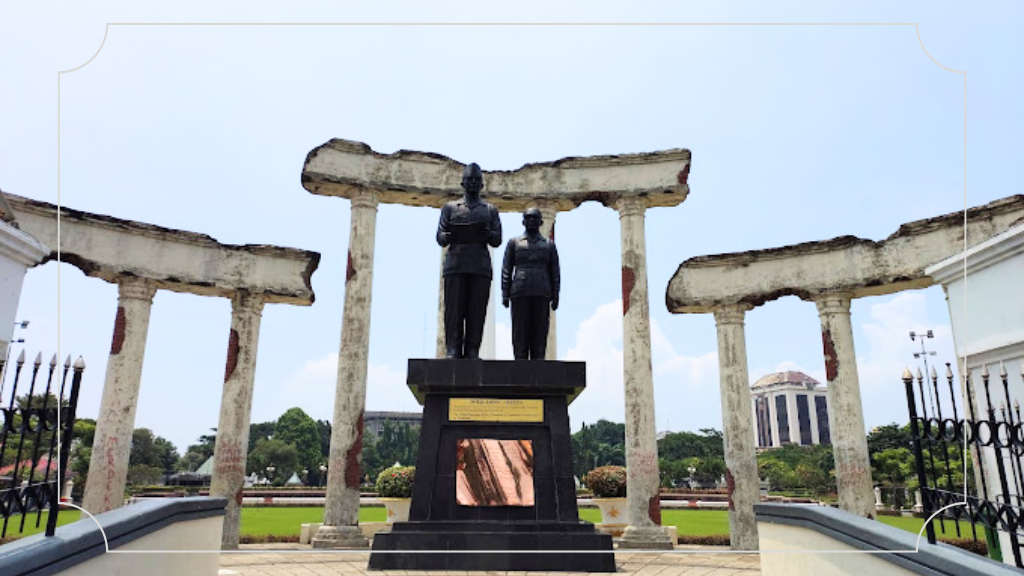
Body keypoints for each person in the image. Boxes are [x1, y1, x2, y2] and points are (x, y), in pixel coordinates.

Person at [436, 163, 502, 359]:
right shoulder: (449, 208)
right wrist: (447, 236)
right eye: (469, 179)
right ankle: (453, 349)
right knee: (453, 310)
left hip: (480, 266)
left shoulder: (490, 210)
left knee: (476, 310)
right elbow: (440, 236)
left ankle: (473, 349)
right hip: (455, 264)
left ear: (482, 185)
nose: (473, 182)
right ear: (462, 183)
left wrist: (486, 233)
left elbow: (497, 239)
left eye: (476, 180)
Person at [501, 207, 560, 360]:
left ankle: (538, 361)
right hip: (520, 291)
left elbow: (555, 272)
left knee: (540, 330)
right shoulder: (514, 243)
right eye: (528, 218)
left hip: (542, 291)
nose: (531, 221)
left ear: (541, 222)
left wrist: (556, 295)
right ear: (523, 222)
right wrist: (505, 294)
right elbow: (507, 269)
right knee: (520, 330)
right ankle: (519, 360)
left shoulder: (549, 245)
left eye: (535, 218)